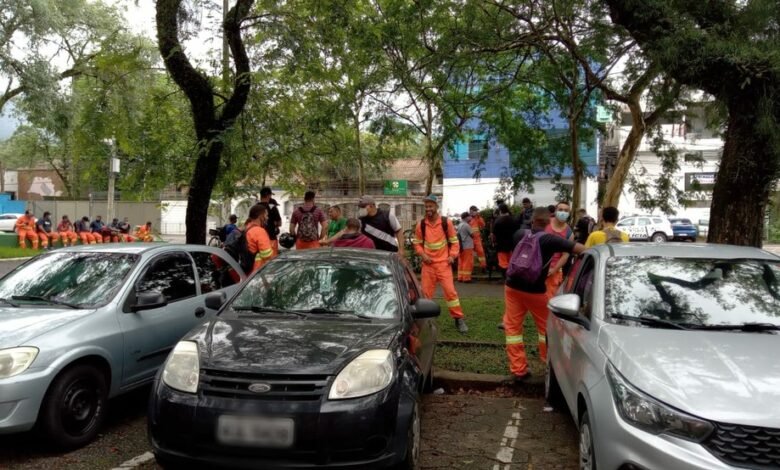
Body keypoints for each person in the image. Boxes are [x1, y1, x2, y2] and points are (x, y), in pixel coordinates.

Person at [504, 207, 586, 381]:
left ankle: (518, 370)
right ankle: (547, 362)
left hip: (512, 288)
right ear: (549, 221)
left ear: (532, 220)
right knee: (546, 328)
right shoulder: (550, 239)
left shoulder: (520, 234)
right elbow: (581, 249)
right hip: (536, 291)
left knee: (512, 329)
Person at [413, 195, 468, 334]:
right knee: (425, 295)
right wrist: (423, 255)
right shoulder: (421, 225)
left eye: (430, 206)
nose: (428, 209)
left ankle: (458, 319)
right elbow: (417, 244)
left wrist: (452, 256)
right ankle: (426, 322)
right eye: (426, 206)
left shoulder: (446, 222)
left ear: (436, 207)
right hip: (428, 266)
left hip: (444, 264)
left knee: (450, 293)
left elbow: (454, 242)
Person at [544, 201, 576, 298]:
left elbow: (565, 256)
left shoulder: (569, 234)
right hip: (538, 266)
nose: (563, 212)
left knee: (549, 299)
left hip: (554, 270)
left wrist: (554, 270)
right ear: (555, 210)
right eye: (560, 209)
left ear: (569, 213)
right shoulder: (545, 223)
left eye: (566, 210)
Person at [244, 204, 274, 272]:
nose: (267, 218)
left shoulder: (247, 227)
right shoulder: (259, 231)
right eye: (266, 215)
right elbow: (267, 255)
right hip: (258, 270)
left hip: (249, 270)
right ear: (261, 216)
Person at [492, 203, 520, 271]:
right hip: (512, 245)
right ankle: (511, 277)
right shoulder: (514, 220)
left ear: (500, 211)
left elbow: (494, 235)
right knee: (511, 261)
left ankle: (505, 278)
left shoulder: (498, 221)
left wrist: (494, 242)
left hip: (501, 245)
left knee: (503, 263)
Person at [259, 187, 282, 255]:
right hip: (271, 238)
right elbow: (279, 223)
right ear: (269, 195)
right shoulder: (272, 207)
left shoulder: (255, 207)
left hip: (258, 239)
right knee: (271, 260)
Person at [457, 212, 474, 282]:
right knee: (467, 262)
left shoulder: (459, 225)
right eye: (469, 216)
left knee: (461, 262)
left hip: (461, 246)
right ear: (466, 217)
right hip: (468, 246)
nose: (471, 217)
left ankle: (460, 277)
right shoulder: (467, 225)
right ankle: (466, 278)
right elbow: (472, 235)